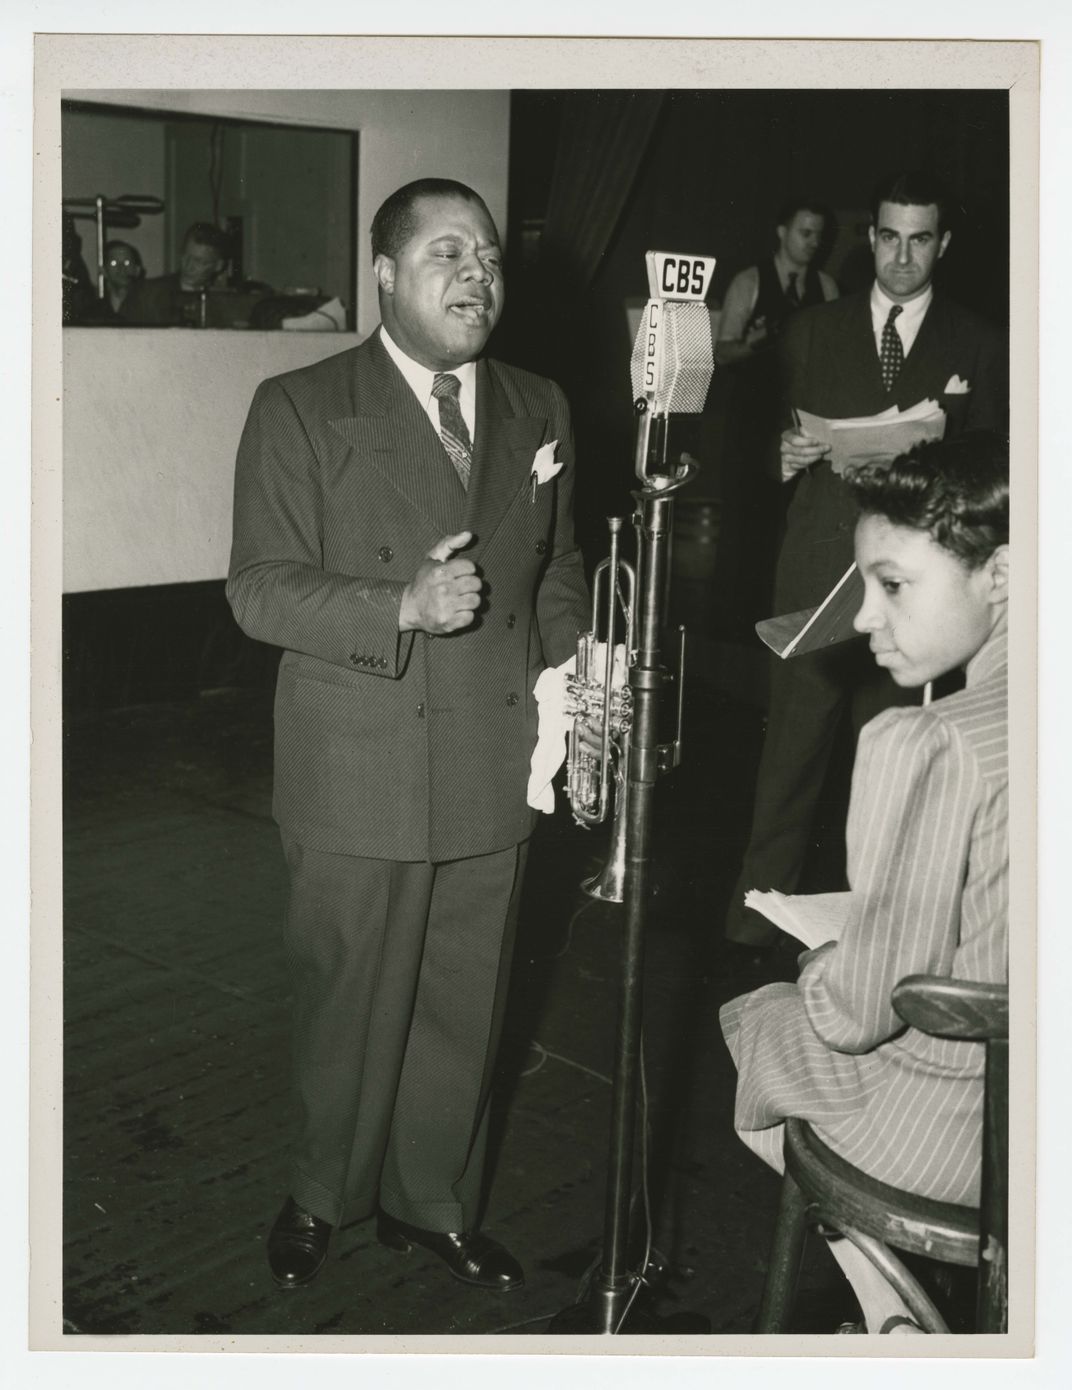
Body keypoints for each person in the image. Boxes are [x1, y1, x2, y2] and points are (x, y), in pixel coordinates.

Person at [226, 178, 589, 1293]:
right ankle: (319, 1190)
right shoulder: (297, 404)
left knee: (464, 997)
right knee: (348, 995)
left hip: (494, 751)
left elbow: (560, 568)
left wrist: (579, 670)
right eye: (445, 253)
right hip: (359, 755)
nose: (476, 273)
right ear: (382, 275)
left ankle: (429, 1200)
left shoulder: (541, 405)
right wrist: (398, 607)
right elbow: (257, 589)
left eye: (486, 254)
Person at [721, 431, 1009, 1333]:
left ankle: (895, 1316)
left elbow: (859, 1013)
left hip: (966, 1140)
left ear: (1000, 576)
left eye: (892, 586)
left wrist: (828, 963)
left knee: (758, 1019)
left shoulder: (926, 740)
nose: (864, 620)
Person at [725, 171, 1007, 947]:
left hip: (920, 584)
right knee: (791, 752)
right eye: (890, 236)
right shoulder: (811, 330)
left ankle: (889, 931)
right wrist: (778, 456)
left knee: (898, 763)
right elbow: (748, 446)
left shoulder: (981, 344)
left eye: (921, 240)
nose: (903, 255)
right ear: (871, 238)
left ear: (942, 245)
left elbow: (1001, 475)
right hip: (817, 566)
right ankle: (754, 922)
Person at [713, 199, 838, 630]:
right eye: (805, 233)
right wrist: (755, 342)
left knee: (796, 524)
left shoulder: (826, 286)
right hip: (752, 420)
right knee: (746, 526)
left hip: (803, 423)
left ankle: (786, 622)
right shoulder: (749, 281)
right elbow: (721, 350)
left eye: (819, 235)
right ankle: (734, 628)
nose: (813, 243)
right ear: (782, 232)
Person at [128, 221, 230, 325]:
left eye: (199, 261)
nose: (189, 266)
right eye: (186, 256)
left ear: (218, 266)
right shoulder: (146, 294)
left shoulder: (226, 302)